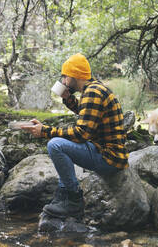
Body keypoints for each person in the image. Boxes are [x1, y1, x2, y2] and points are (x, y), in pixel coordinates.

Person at [21, 53, 129, 219]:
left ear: (73, 76)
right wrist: (68, 99)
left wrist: (45, 131)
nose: (63, 81)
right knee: (61, 142)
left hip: (109, 159)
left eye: (64, 76)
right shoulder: (95, 88)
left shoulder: (92, 92)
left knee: (55, 145)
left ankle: (73, 200)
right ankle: (63, 194)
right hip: (106, 151)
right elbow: (88, 115)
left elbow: (81, 134)